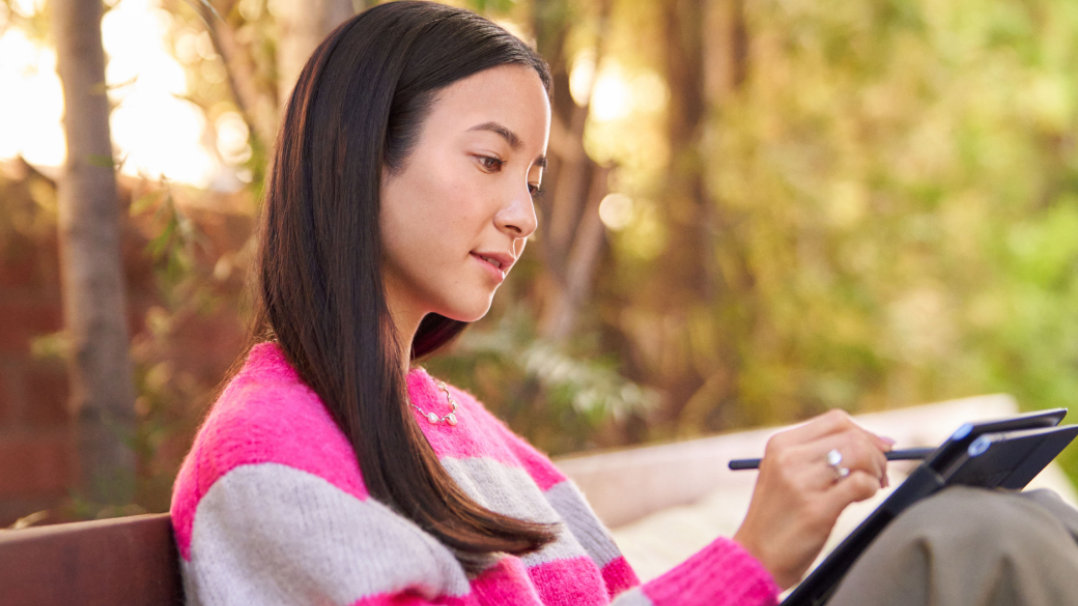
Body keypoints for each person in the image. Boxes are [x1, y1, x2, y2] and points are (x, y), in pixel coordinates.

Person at [170, 2, 1078, 605]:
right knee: (980, 544)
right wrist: (754, 556)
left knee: (1029, 517)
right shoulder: (272, 459)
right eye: (489, 161)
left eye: (531, 176)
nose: (522, 216)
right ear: (355, 159)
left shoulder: (468, 435)